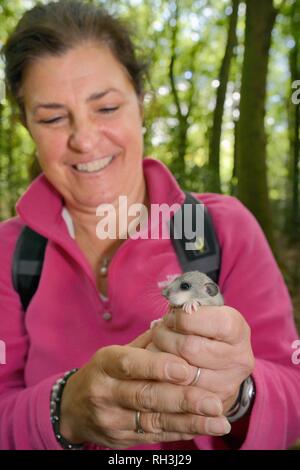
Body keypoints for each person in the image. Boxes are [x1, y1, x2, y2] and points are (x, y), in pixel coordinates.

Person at [0, 0, 299, 451]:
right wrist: (63, 412)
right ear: (26, 125)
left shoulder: (222, 229)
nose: (83, 139)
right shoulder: (8, 254)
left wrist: (240, 393)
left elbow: (293, 390)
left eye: (106, 108)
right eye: (53, 117)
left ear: (141, 103)